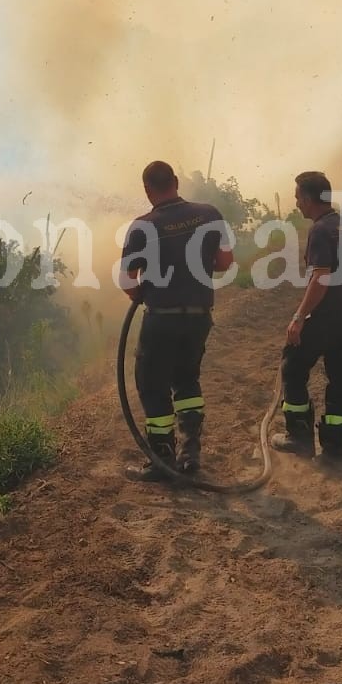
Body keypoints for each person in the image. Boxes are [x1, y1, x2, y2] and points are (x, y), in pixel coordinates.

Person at [118, 161, 234, 480]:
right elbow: (225, 261)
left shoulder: (142, 226)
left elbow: (127, 281)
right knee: (186, 380)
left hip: (162, 320)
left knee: (151, 384)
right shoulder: (209, 213)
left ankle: (162, 459)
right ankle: (190, 454)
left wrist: (143, 293)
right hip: (198, 318)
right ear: (176, 181)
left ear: (147, 190)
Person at [275, 171, 342, 461]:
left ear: (310, 199)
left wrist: (299, 317)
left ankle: (299, 439)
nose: (296, 202)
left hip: (327, 319)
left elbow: (321, 278)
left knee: (292, 365)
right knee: (341, 381)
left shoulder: (320, 231)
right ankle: (336, 449)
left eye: (299, 196)